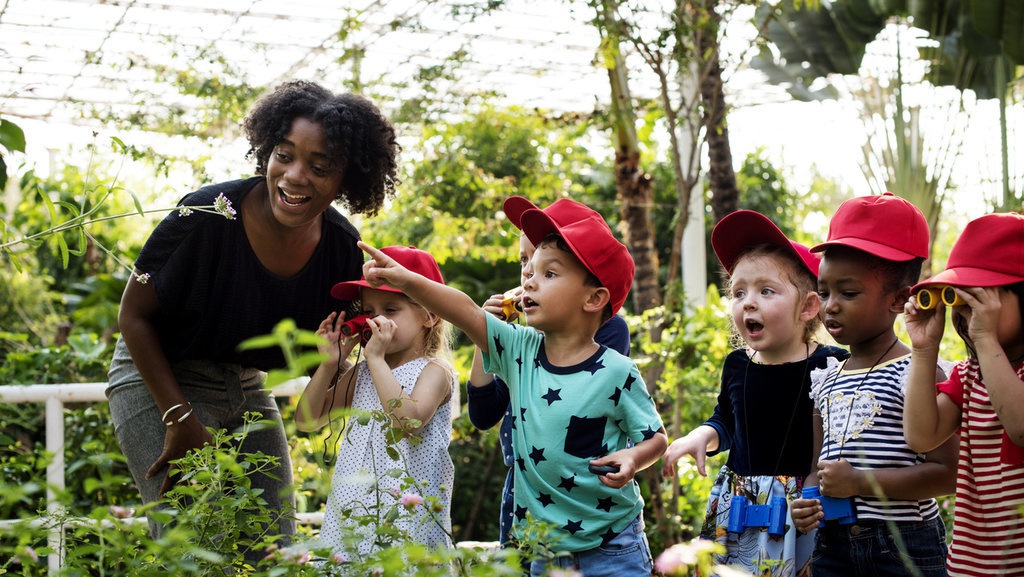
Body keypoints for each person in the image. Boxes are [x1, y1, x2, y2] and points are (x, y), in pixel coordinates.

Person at [105, 80, 400, 558]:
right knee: (196, 547)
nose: (295, 175)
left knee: (271, 549)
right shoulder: (202, 215)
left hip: (245, 384)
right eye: (284, 155)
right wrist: (178, 416)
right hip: (157, 377)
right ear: (266, 149)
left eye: (320, 166)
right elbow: (132, 317)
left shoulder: (343, 248)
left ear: (347, 179)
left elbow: (326, 357)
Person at [356, 197, 668, 577]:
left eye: (549, 274)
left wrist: (634, 459)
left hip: (613, 545)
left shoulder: (617, 370)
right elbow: (466, 311)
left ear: (594, 298)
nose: (529, 280)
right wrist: (404, 280)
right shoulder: (519, 348)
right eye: (530, 269)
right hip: (543, 547)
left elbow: (656, 438)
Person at [661, 210, 847, 577]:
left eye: (766, 290)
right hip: (738, 511)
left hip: (804, 509)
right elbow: (727, 421)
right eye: (739, 291)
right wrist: (703, 435)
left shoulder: (831, 365)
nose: (747, 301)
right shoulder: (737, 365)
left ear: (808, 306)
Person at [789, 193, 956, 576]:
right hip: (833, 544)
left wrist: (859, 482)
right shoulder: (825, 378)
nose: (831, 304)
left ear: (899, 299)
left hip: (903, 545)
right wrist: (807, 501)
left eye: (848, 293)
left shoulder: (919, 371)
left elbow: (947, 473)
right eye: (825, 290)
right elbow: (819, 466)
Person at [466, 196, 631, 548]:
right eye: (524, 261)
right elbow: (482, 414)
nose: (528, 273)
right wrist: (486, 335)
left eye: (546, 269)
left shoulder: (610, 331)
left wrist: (531, 337)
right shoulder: (519, 339)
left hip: (583, 496)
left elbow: (585, 400)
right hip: (525, 487)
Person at [296, 245, 456, 556]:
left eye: (390, 310)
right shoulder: (364, 371)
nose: (374, 320)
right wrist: (329, 364)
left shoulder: (435, 372)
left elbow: (406, 422)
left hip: (407, 522)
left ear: (430, 316)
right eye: (368, 312)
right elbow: (307, 419)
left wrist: (376, 360)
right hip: (353, 516)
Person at [903, 212, 1024, 577]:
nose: (966, 317)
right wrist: (924, 350)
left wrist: (986, 340)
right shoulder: (969, 375)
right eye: (960, 302)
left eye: (980, 299)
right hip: (971, 567)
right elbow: (922, 435)